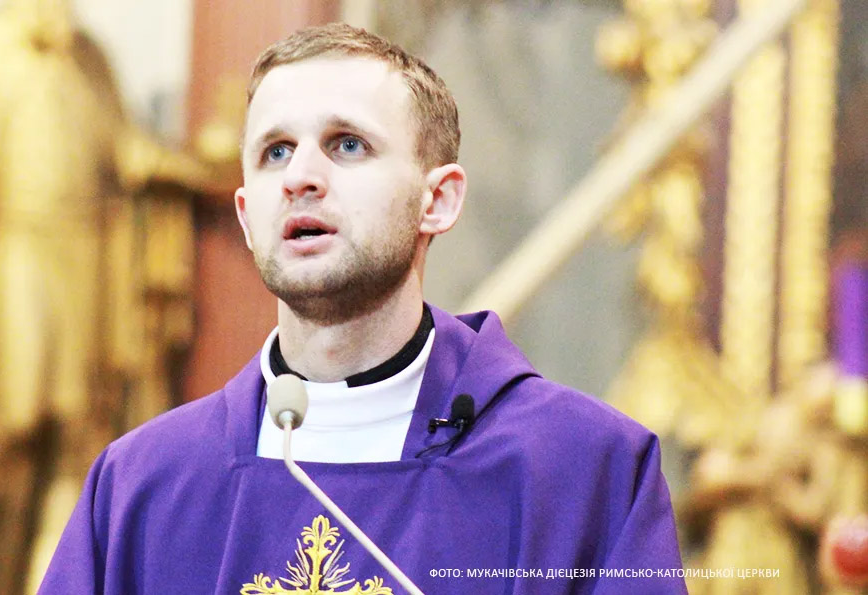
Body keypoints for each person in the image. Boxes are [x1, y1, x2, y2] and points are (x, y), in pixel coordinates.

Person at [40, 23, 686, 594]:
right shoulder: (142, 486)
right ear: (246, 216)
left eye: (347, 144)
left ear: (438, 200)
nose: (300, 177)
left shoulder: (582, 472)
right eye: (275, 152)